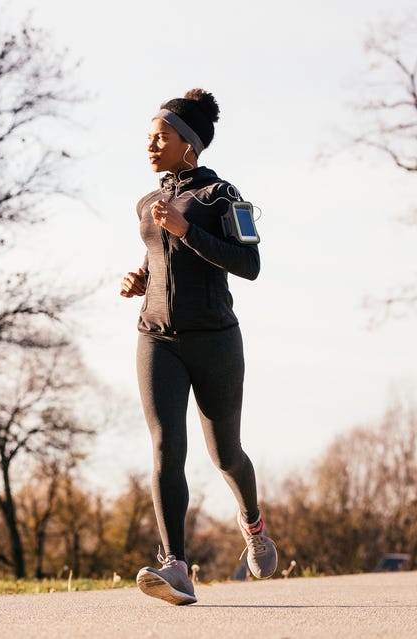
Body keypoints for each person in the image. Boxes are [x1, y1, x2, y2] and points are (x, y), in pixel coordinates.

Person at [120, 88, 277, 606]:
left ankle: (252, 524)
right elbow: (162, 252)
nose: (150, 145)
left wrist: (186, 230)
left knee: (225, 454)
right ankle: (176, 568)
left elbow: (249, 266)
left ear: (188, 143)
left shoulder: (224, 197)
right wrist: (142, 277)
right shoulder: (148, 203)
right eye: (149, 137)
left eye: (160, 136)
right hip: (157, 337)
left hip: (214, 340)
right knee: (167, 448)